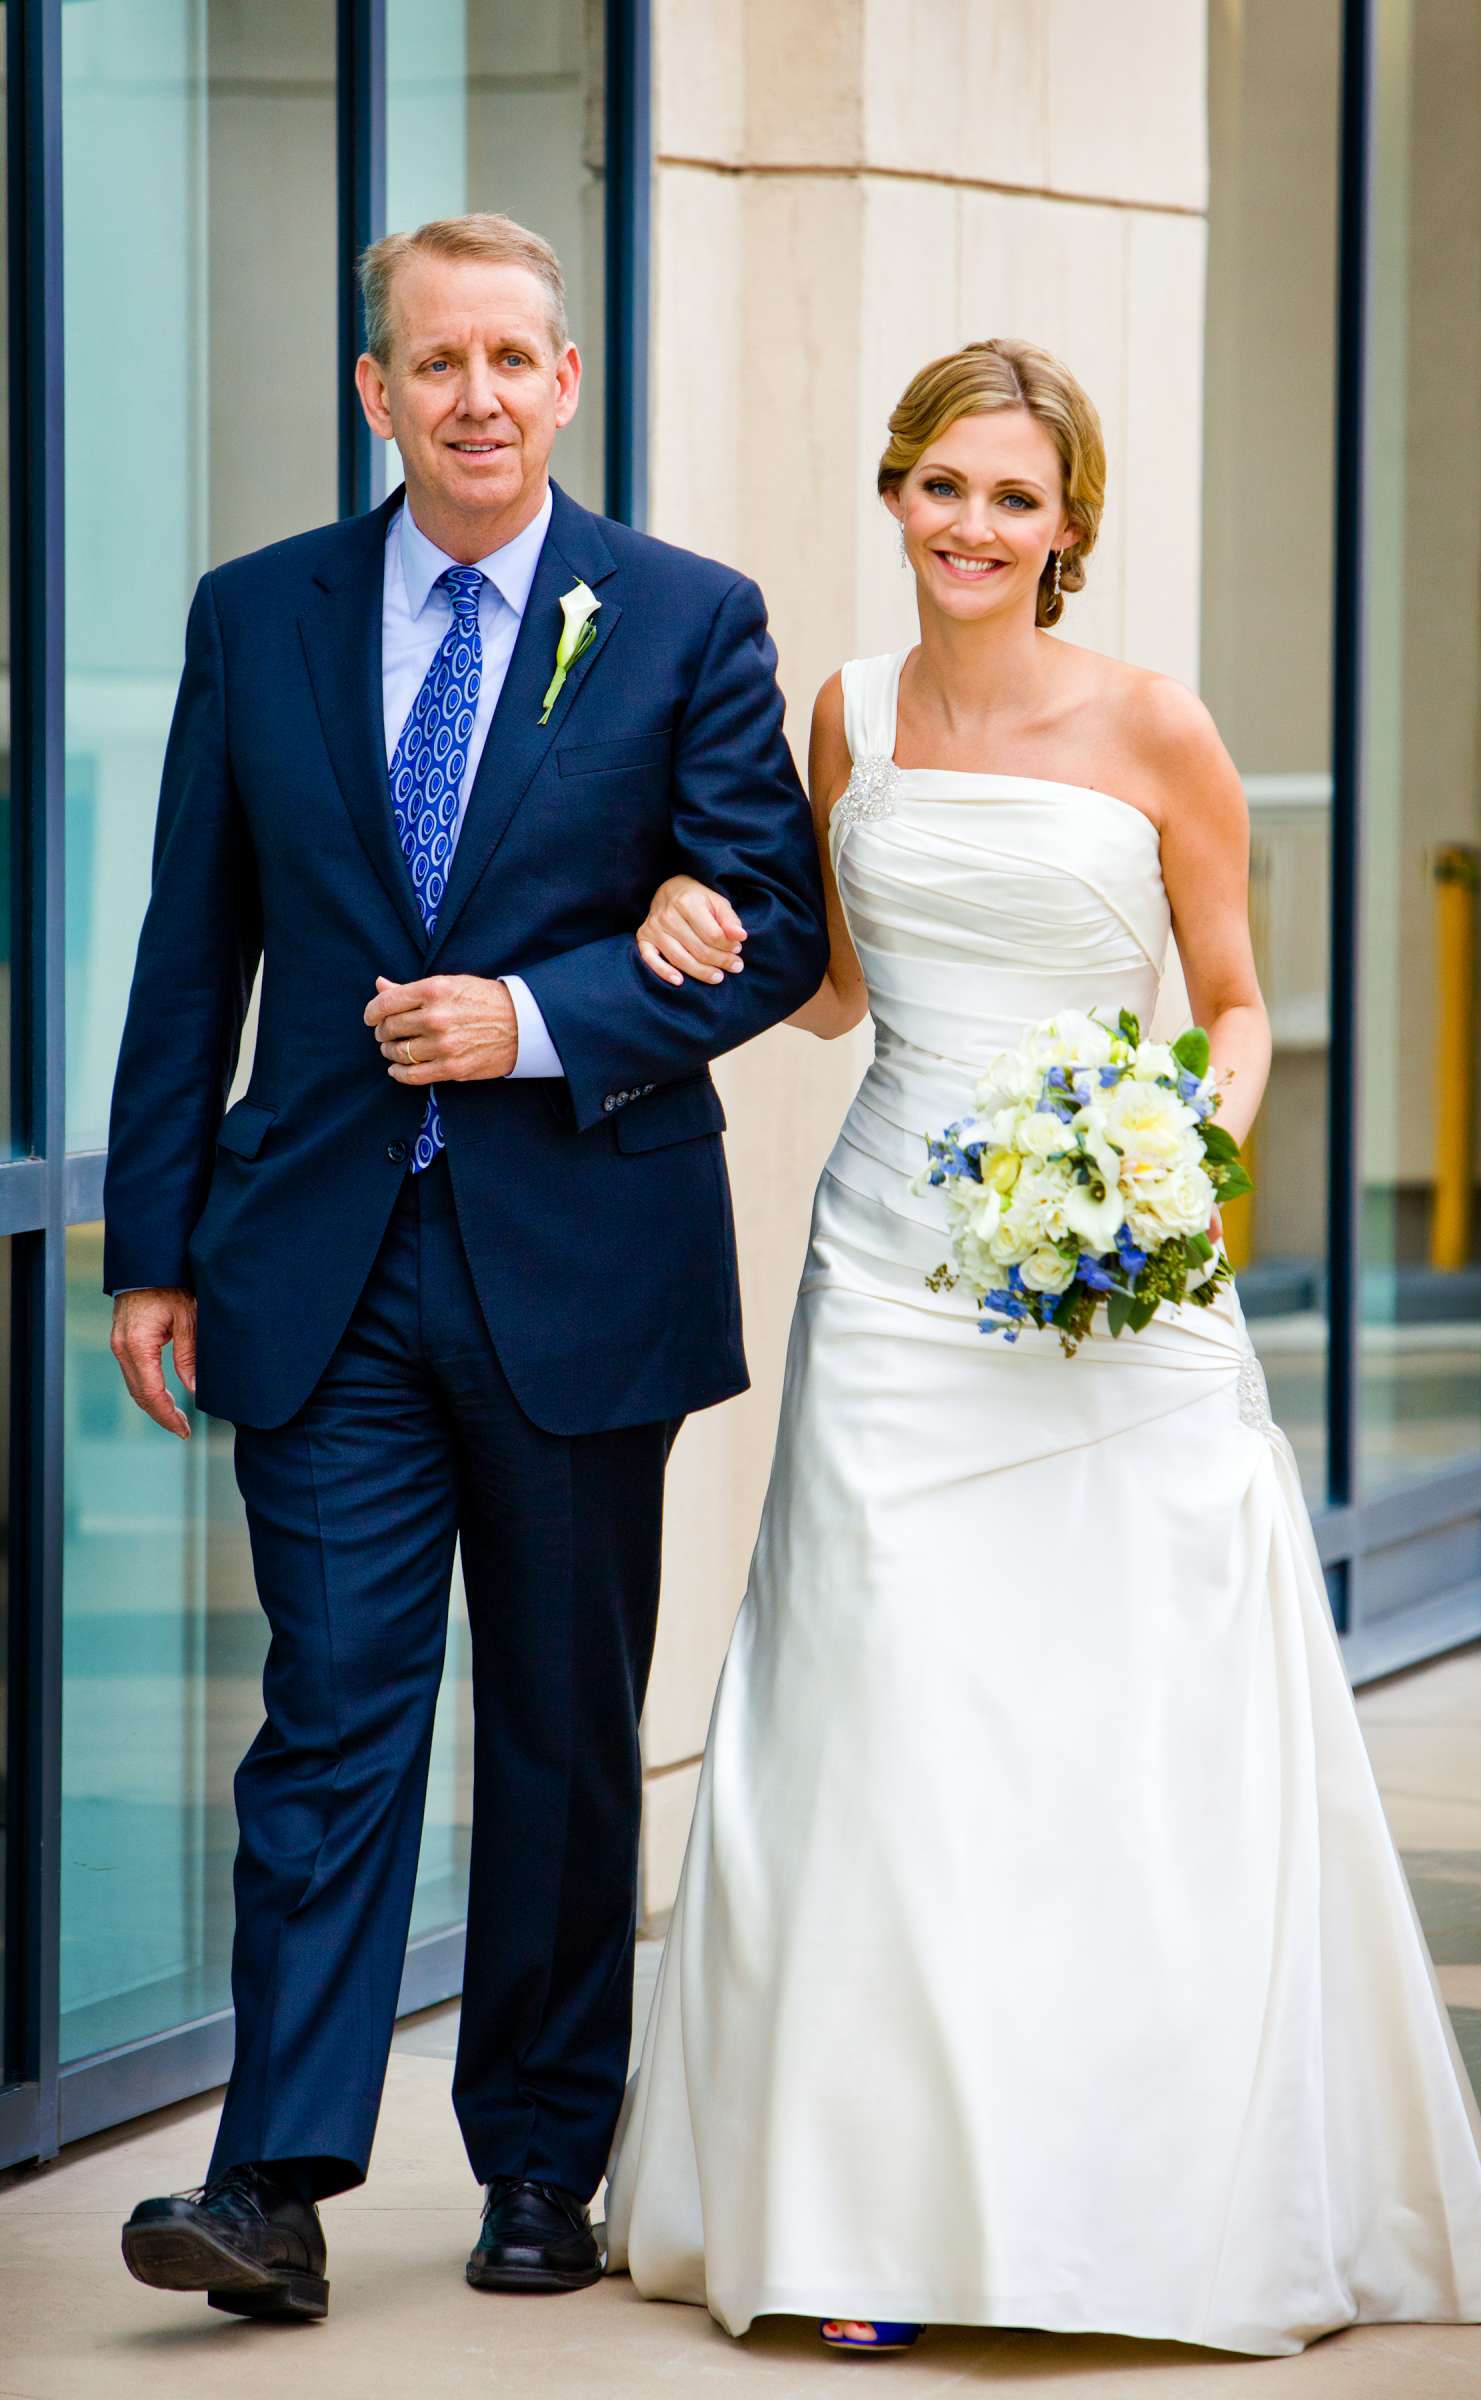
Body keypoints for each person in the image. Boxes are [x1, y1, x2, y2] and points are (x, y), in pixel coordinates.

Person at [602, 338, 1481, 2358]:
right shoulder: (840, 716)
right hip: (885, 1274)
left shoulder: (1155, 728)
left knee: (1109, 1722)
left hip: (1110, 1282)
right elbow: (836, 993)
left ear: (1067, 529)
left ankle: (1130, 2203)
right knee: (875, 1716)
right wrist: (695, 914)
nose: (969, 527)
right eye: (940, 487)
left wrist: (1170, 1160)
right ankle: (858, 2221)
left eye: (1011, 499)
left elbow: (1227, 999)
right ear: (893, 495)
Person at [105, 212, 827, 2323]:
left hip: (574, 1260)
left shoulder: (684, 616)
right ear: (375, 391)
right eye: (437, 364)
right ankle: (271, 2183)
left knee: (557, 1731)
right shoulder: (260, 617)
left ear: (568, 380)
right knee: (326, 1716)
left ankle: (535, 2161)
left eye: (514, 358)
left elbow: (769, 927)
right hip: (315, 1260)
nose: (478, 396)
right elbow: (190, 947)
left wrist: (532, 1017)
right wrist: (156, 1245)